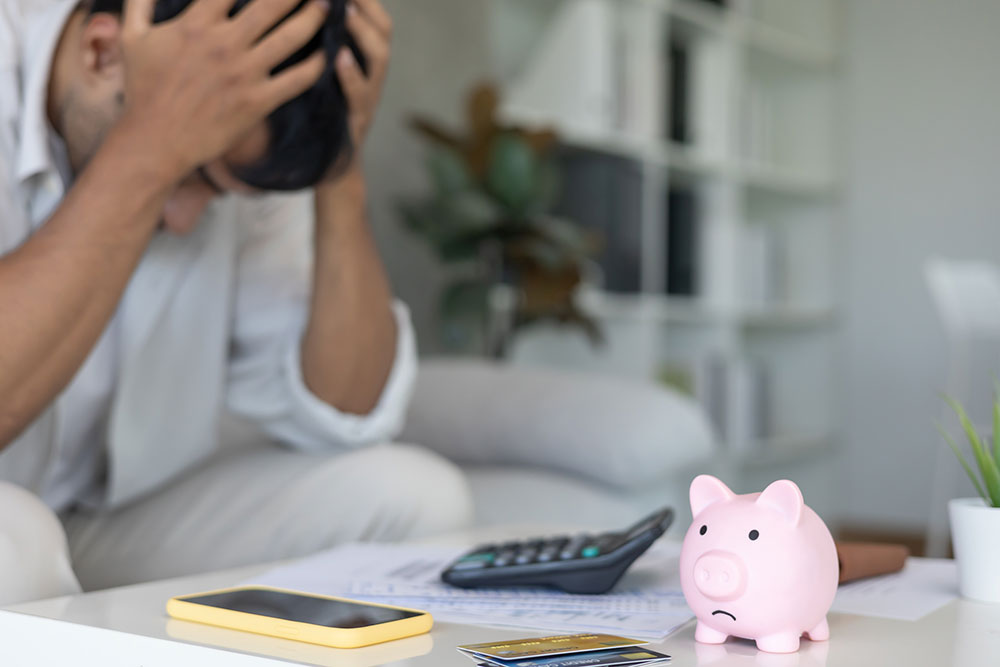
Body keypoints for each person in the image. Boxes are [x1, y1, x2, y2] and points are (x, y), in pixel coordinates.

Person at [0, 0, 471, 603]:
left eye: (218, 191)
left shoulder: (238, 125)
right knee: (20, 540)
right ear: (101, 53)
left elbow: (345, 407)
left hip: (105, 515)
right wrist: (152, 148)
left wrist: (335, 166)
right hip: (20, 524)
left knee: (415, 498)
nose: (185, 215)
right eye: (191, 174)